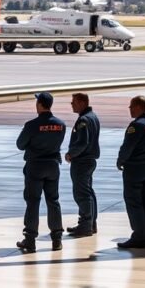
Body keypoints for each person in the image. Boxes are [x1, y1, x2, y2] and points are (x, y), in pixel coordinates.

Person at [15, 92, 66, 253]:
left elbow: (20, 144)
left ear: (39, 104)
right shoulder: (61, 125)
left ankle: (30, 240)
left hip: (35, 166)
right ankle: (56, 239)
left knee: (33, 202)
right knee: (53, 201)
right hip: (52, 166)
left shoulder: (31, 125)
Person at [117, 95, 145, 249]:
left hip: (134, 168)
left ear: (139, 107)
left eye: (132, 106)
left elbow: (127, 147)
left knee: (134, 202)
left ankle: (139, 236)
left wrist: (120, 160)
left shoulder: (136, 126)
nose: (130, 109)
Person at [65, 92, 100, 238]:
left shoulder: (84, 120)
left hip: (82, 161)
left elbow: (82, 142)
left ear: (82, 103)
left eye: (74, 102)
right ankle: (90, 223)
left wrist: (71, 154)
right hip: (89, 161)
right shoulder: (93, 117)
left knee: (82, 193)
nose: (71, 104)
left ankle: (86, 225)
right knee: (88, 192)